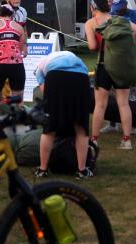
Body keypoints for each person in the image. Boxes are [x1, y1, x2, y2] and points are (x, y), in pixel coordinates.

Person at [86, 0, 136, 149]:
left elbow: (91, 46)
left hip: (103, 65)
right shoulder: (119, 20)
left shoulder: (91, 23)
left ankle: (94, 139)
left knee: (100, 105)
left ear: (93, 8)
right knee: (123, 104)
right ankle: (126, 140)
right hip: (120, 66)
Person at [33, 50, 94, 179]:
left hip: (56, 76)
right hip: (81, 76)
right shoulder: (74, 58)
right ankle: (82, 171)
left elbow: (46, 93)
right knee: (81, 126)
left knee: (49, 127)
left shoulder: (39, 67)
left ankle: (42, 169)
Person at [0, 4, 27, 108]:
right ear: (12, 15)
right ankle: (17, 122)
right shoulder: (19, 27)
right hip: (16, 65)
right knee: (18, 100)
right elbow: (22, 49)